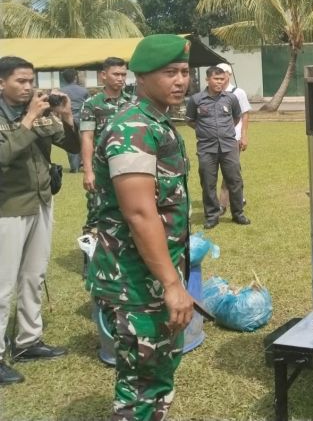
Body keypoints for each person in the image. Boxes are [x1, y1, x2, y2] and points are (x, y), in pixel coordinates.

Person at [85, 34, 195, 421]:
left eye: (184, 72)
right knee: (143, 383)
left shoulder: (156, 121)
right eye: (170, 72)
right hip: (135, 279)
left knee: (156, 372)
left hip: (152, 273)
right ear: (142, 76)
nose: (180, 80)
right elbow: (139, 213)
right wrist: (171, 284)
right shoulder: (131, 128)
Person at [0, 56, 79, 385]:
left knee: (34, 275)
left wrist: (66, 116)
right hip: (7, 208)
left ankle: (28, 341)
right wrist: (29, 120)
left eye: (31, 80)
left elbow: (72, 146)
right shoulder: (22, 116)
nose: (28, 86)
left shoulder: (38, 111)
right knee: (2, 286)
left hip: (41, 202)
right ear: (1, 83)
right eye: (20, 81)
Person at [186, 65, 250, 229]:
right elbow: (190, 120)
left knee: (234, 180)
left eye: (222, 79)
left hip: (229, 147)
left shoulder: (231, 98)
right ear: (207, 79)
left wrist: (225, 132)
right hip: (207, 148)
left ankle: (238, 214)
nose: (220, 82)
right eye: (216, 79)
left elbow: (236, 118)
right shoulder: (196, 99)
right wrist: (204, 131)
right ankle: (212, 216)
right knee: (208, 182)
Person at [79, 57, 132, 233]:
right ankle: (91, 256)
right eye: (116, 74)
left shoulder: (132, 103)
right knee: (96, 212)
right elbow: (87, 138)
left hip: (128, 166)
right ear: (103, 76)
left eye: (123, 74)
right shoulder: (92, 104)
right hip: (102, 168)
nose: (120, 78)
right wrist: (88, 172)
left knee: (128, 210)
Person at [215, 63, 250, 212]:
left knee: (229, 171)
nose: (220, 78)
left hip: (233, 138)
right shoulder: (213, 92)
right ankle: (239, 197)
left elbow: (245, 115)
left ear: (229, 75)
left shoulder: (238, 92)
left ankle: (223, 204)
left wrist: (244, 136)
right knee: (233, 170)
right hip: (216, 138)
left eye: (223, 74)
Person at [60, 67, 87, 173]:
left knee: (71, 143)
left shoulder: (61, 91)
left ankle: (74, 167)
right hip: (82, 118)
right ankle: (85, 164)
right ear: (75, 77)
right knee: (85, 142)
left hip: (67, 119)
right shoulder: (83, 91)